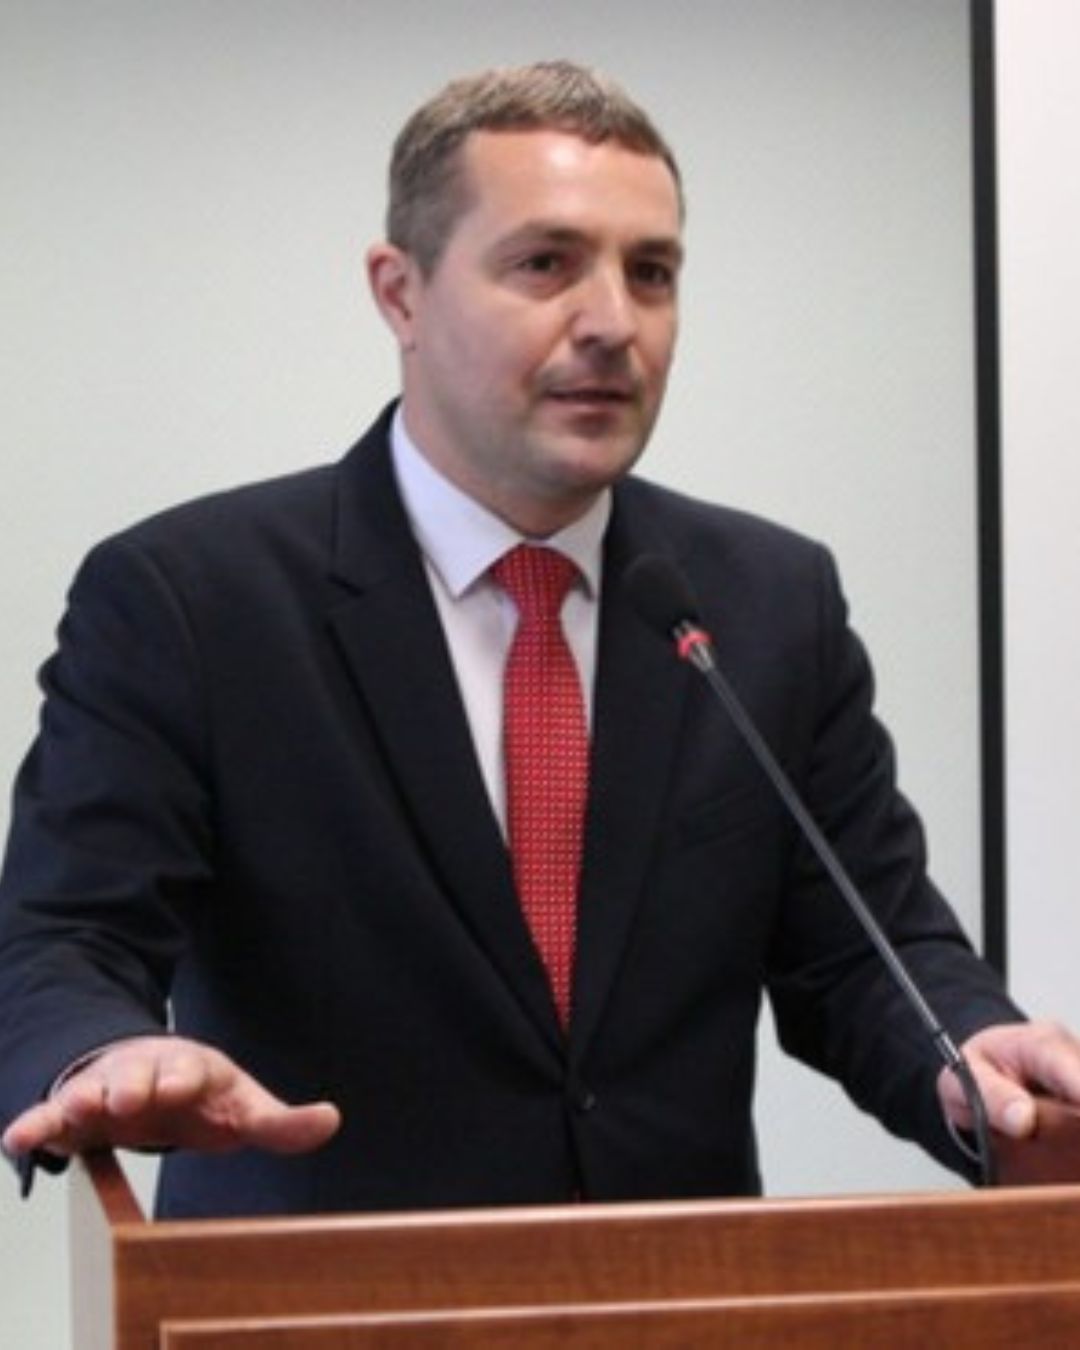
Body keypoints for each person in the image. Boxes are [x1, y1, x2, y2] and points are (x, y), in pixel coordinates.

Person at [1, 60, 1078, 1218]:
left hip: (679, 1292)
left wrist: (975, 1053)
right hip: (318, 1294)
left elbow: (865, 951)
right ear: (400, 294)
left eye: (651, 272)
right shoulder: (191, 600)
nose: (613, 323)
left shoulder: (768, 602)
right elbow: (63, 939)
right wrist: (105, 1050)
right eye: (546, 264)